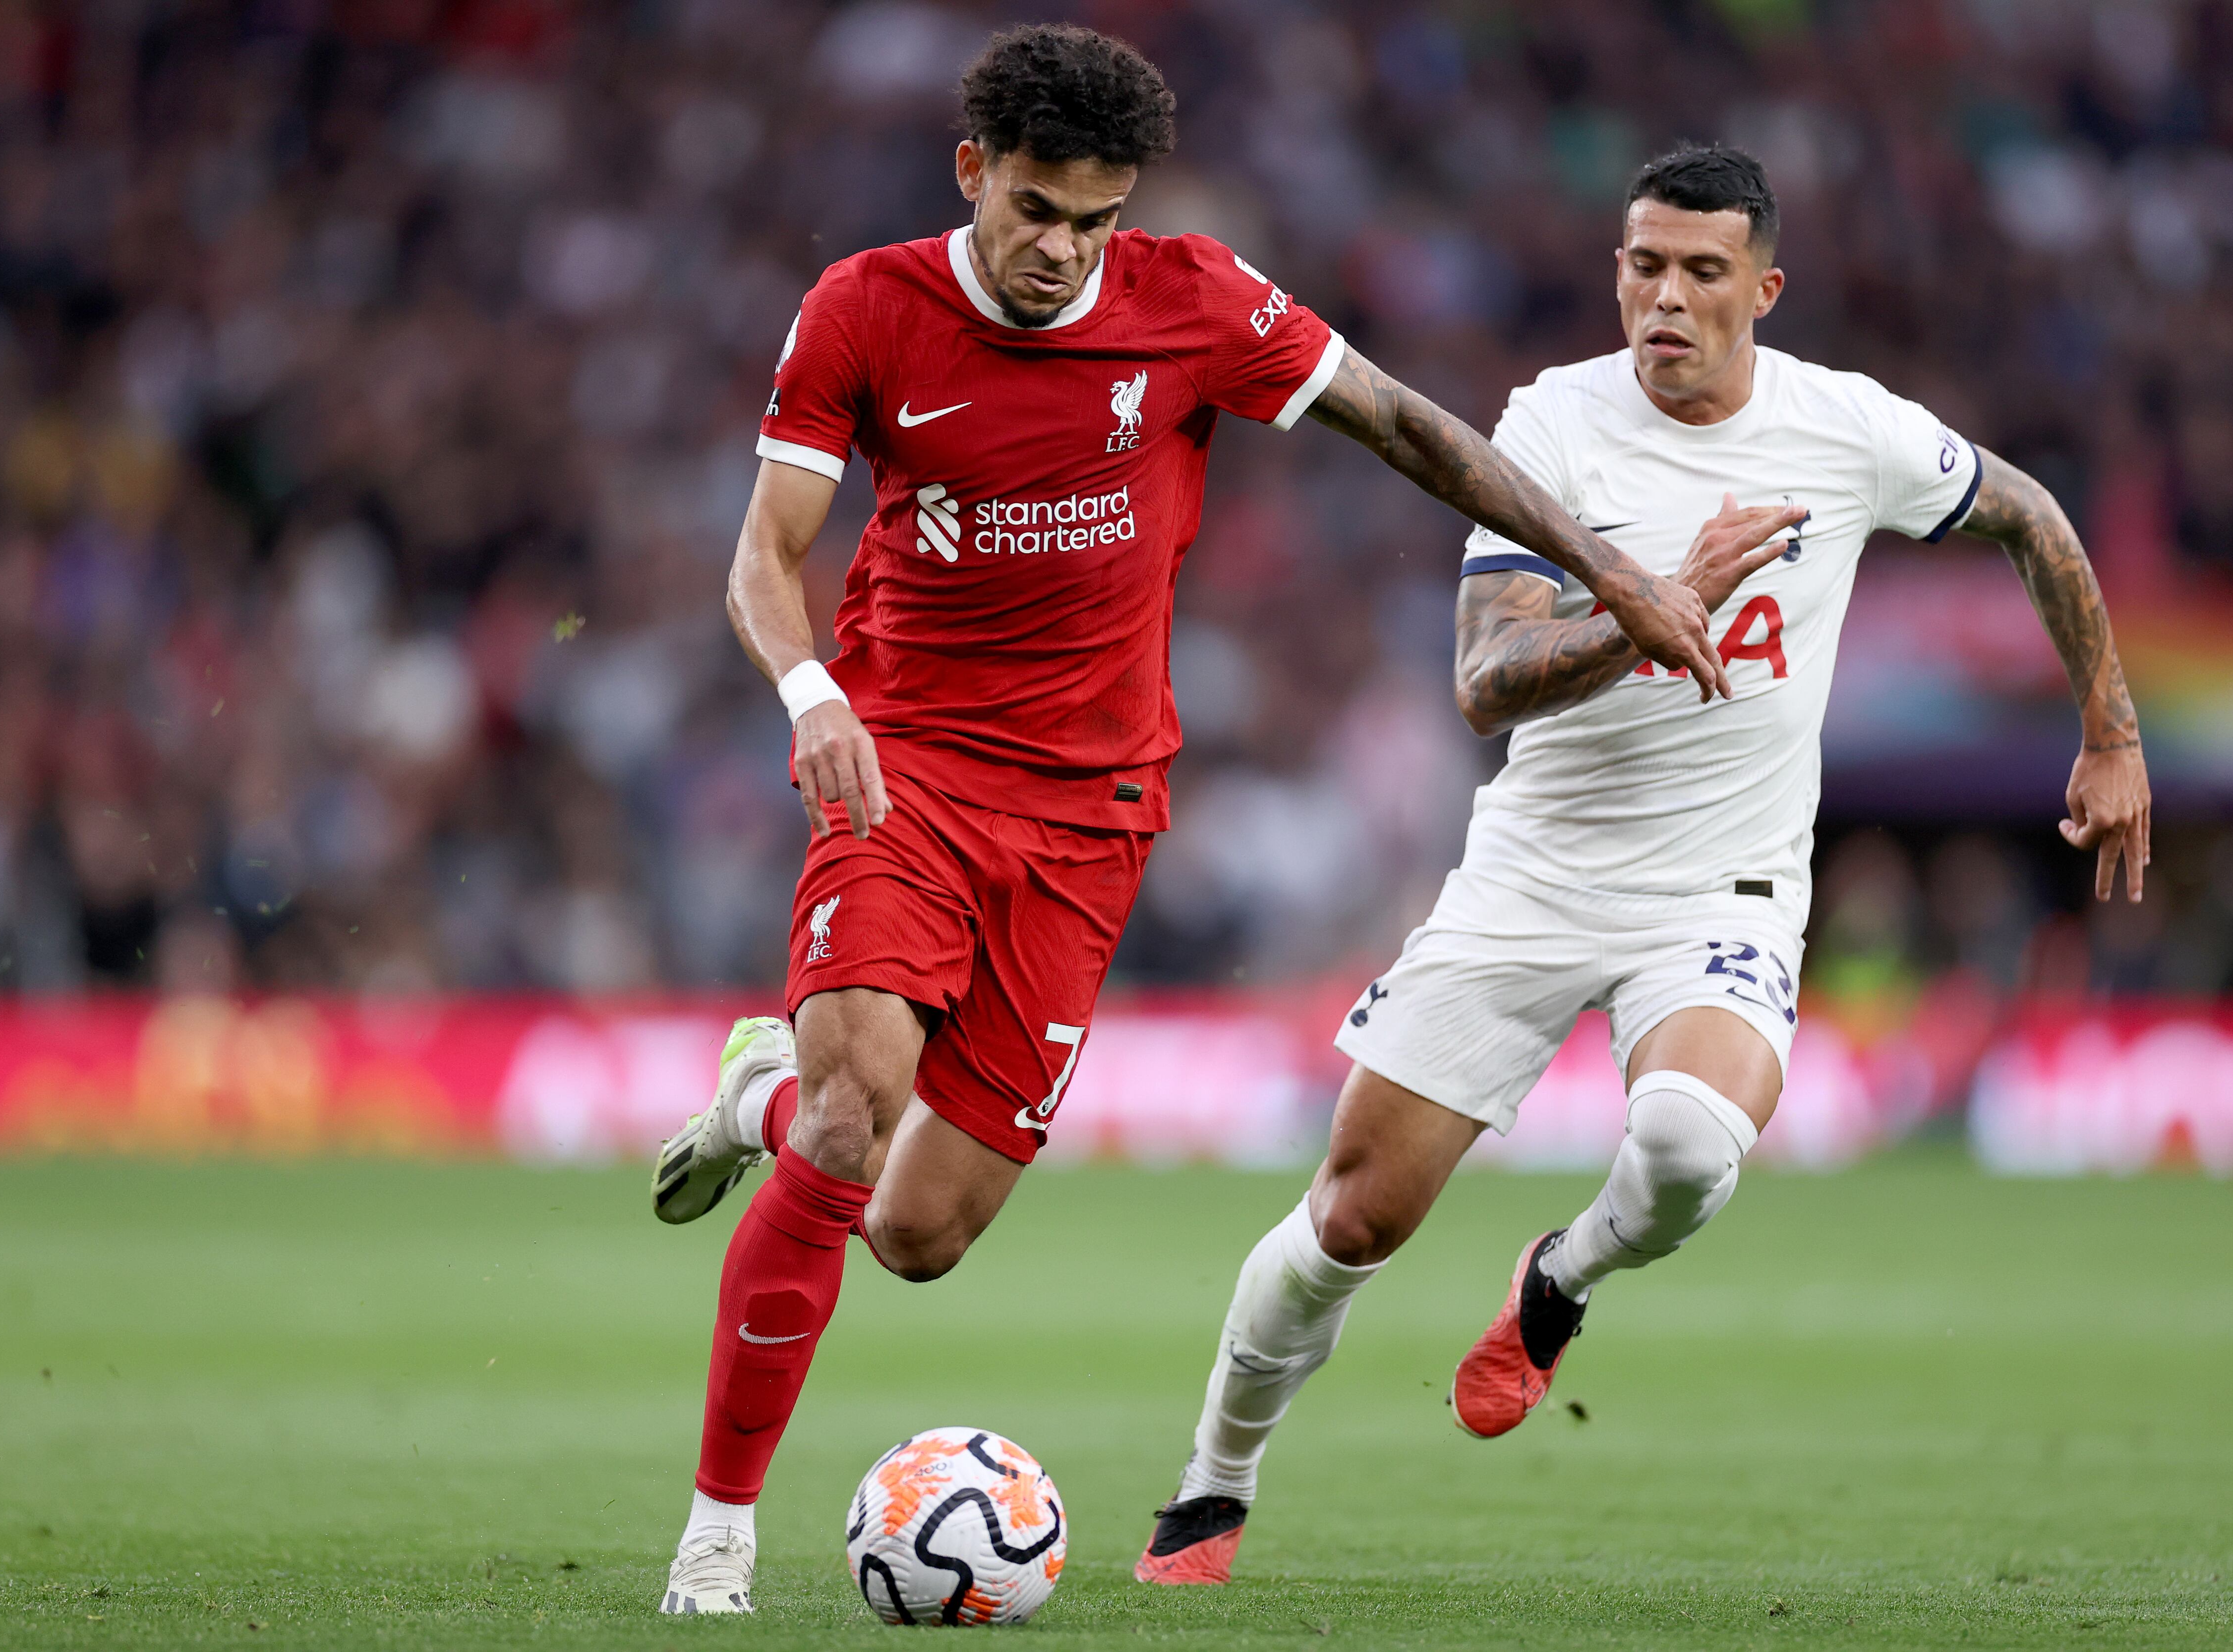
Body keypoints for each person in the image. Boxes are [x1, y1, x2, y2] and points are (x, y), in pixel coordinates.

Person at [644, 26, 1756, 1616]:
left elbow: (1407, 426)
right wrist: (812, 693)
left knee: (918, 1232)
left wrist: (1615, 574)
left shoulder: (1195, 301)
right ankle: (717, 1539)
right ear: (972, 172)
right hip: (904, 770)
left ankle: (755, 1091)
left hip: (1091, 818)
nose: (1059, 249)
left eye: (1093, 221)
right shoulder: (865, 309)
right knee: (850, 1118)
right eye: (1034, 209)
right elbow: (765, 555)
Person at [1136, 141, 2153, 1585]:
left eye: (1701, 272)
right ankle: (1212, 1487)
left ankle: (1561, 1279)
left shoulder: (1848, 429)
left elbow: (2032, 518)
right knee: (1354, 1213)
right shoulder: (1554, 425)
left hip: (1722, 888)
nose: (1664, 298)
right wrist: (1650, 604)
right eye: (1643, 267)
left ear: (1764, 291)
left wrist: (2111, 733)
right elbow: (1484, 684)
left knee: (1684, 1147)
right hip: (1534, 875)